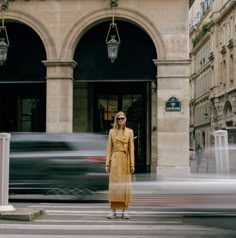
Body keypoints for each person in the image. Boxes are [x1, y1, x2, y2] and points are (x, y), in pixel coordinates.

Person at [105, 111, 135, 219]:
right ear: (116, 120)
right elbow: (108, 149)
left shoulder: (130, 132)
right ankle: (112, 210)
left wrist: (132, 164)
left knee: (125, 186)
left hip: (125, 160)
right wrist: (107, 163)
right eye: (118, 119)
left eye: (122, 118)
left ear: (125, 119)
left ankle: (124, 211)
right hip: (115, 160)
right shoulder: (112, 132)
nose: (120, 120)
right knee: (114, 186)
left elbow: (131, 149)